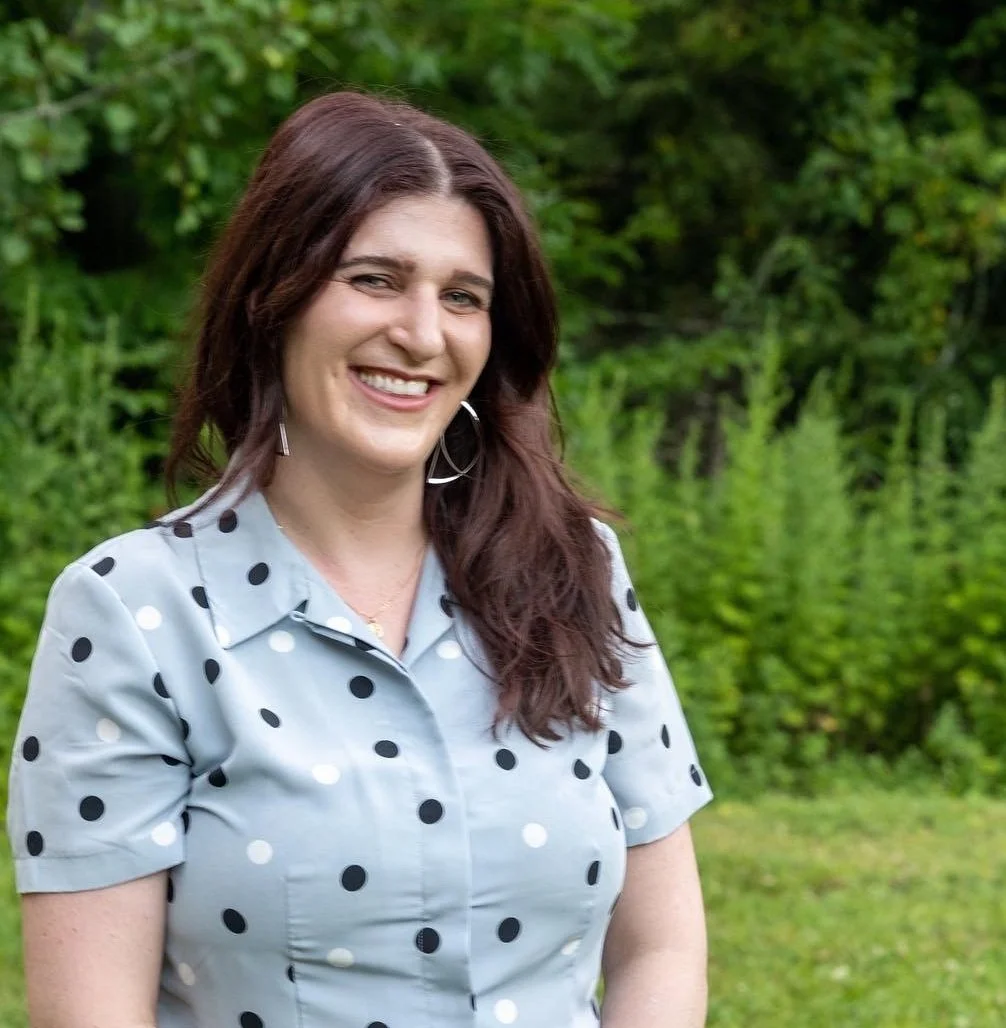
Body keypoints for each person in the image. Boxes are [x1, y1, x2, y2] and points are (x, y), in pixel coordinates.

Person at [7, 90, 713, 1028]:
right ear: (272, 300)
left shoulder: (575, 570)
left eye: (463, 297)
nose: (422, 334)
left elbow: (662, 948)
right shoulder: (133, 610)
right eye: (375, 280)